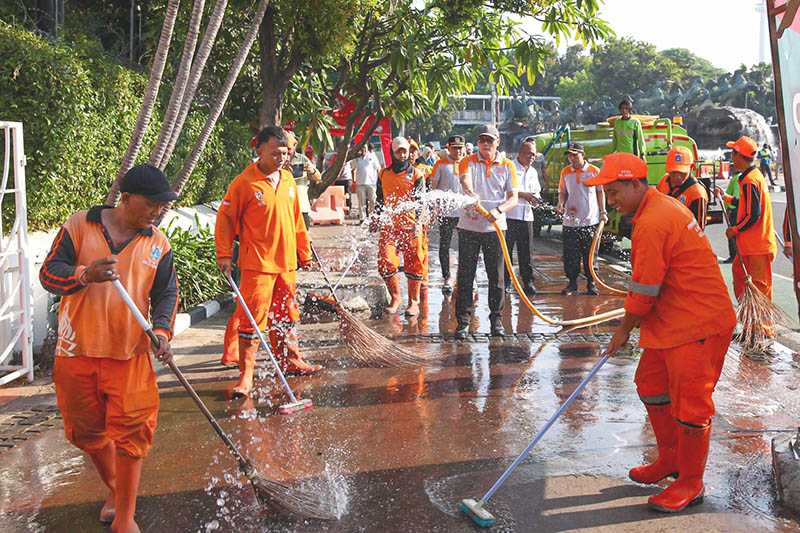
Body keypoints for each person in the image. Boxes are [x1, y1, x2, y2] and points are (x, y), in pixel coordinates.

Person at [594, 152, 736, 514]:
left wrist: (622, 331)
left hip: (697, 323)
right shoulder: (655, 210)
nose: (611, 201)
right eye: (607, 194)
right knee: (651, 384)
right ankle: (671, 459)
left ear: (636, 183)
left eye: (614, 192)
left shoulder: (654, 221)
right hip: (672, 320)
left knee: (691, 404)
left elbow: (643, 291)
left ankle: (691, 482)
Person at [40, 164, 178, 533]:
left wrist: (162, 331)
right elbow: (49, 274)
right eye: (151, 204)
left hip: (130, 353)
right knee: (87, 433)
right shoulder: (79, 225)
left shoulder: (158, 244)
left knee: (133, 435)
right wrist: (84, 275)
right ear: (126, 197)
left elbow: (166, 294)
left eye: (161, 206)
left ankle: (125, 517)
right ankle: (116, 489)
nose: (156, 212)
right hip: (76, 352)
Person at [216, 126, 321, 399]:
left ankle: (291, 361)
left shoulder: (287, 179)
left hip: (286, 264)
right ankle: (246, 375)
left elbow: (297, 220)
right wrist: (224, 255)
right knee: (252, 321)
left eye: (285, 153)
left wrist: (304, 253)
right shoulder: (244, 183)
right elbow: (225, 220)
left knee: (286, 315)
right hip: (258, 264)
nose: (281, 158)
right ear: (259, 149)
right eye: (275, 153)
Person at [454, 124, 519, 339]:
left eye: (489, 140)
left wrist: (498, 210)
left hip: (495, 228)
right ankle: (463, 322)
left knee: (496, 277)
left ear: (497, 142)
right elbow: (465, 182)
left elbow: (513, 198)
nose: (485, 144)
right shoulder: (468, 161)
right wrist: (472, 196)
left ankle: (496, 321)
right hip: (469, 226)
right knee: (465, 275)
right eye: (482, 140)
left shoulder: (507, 165)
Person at [716, 136, 777, 332]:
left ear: (740, 156)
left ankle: (762, 330)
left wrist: (735, 229)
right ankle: (750, 324)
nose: (731, 157)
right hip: (750, 245)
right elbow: (747, 206)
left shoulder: (751, 180)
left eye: (733, 153)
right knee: (742, 281)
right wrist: (727, 198)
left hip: (757, 245)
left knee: (759, 288)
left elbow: (753, 214)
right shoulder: (750, 178)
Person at [373, 136, 428, 316]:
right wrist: (375, 218)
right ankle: (396, 297)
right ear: (392, 152)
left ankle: (413, 302)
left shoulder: (417, 175)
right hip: (390, 225)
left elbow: (420, 203)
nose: (403, 154)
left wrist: (418, 223)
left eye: (405, 151)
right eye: (399, 151)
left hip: (411, 226)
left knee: (415, 262)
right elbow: (379, 200)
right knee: (386, 261)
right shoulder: (383, 174)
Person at [557, 142, 606, 295]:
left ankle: (591, 283)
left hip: (590, 220)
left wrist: (603, 211)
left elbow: (600, 192)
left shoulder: (594, 171)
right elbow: (563, 192)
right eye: (569, 155)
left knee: (590, 254)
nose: (572, 158)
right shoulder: (565, 172)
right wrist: (560, 204)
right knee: (571, 255)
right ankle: (572, 284)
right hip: (570, 221)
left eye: (575, 155)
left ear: (582, 155)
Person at [504, 137, 541, 296]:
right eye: (528, 154)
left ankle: (528, 282)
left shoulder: (533, 171)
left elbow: (537, 191)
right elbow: (505, 190)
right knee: (507, 251)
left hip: (527, 217)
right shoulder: (510, 167)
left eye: (533, 155)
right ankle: (506, 281)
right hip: (510, 216)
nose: (531, 157)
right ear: (520, 153)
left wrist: (536, 199)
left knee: (526, 252)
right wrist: (523, 195)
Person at [430, 135, 466, 294]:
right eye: (455, 148)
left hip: (464, 213)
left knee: (466, 246)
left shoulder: (468, 164)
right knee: (445, 245)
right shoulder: (440, 164)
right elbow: (434, 188)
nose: (458, 151)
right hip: (446, 213)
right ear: (448, 148)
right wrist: (434, 208)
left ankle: (465, 277)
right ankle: (447, 276)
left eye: (460, 148)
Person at [655, 146, 708, 229]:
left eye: (682, 172)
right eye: (673, 172)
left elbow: (698, 229)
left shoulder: (697, 193)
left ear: (692, 168)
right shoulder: (663, 181)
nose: (677, 177)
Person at [286, 131, 322, 229]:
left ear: (295, 144)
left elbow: (318, 178)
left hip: (302, 205)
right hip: (284, 207)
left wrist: (311, 171)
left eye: (290, 146)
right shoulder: (278, 159)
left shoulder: (302, 159)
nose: (288, 149)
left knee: (303, 237)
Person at [351, 143, 381, 221]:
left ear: (367, 148)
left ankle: (372, 218)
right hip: (360, 183)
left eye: (364, 147)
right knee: (361, 202)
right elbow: (352, 168)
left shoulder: (372, 156)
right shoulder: (357, 158)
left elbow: (378, 168)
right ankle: (362, 219)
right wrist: (353, 180)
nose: (363, 149)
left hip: (371, 183)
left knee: (372, 201)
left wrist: (380, 180)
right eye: (361, 148)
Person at [612, 97, 647, 161]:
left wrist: (642, 154)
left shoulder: (635, 122)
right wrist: (612, 153)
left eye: (626, 108)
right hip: (621, 155)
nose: (624, 110)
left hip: (632, 154)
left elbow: (640, 139)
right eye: (622, 108)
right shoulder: (617, 122)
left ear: (629, 110)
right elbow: (614, 139)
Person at [720, 171, 740, 264]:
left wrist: (729, 209)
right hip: (738, 209)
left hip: (734, 209)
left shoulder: (736, 178)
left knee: (732, 233)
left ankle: (734, 256)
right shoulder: (741, 177)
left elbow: (734, 196)